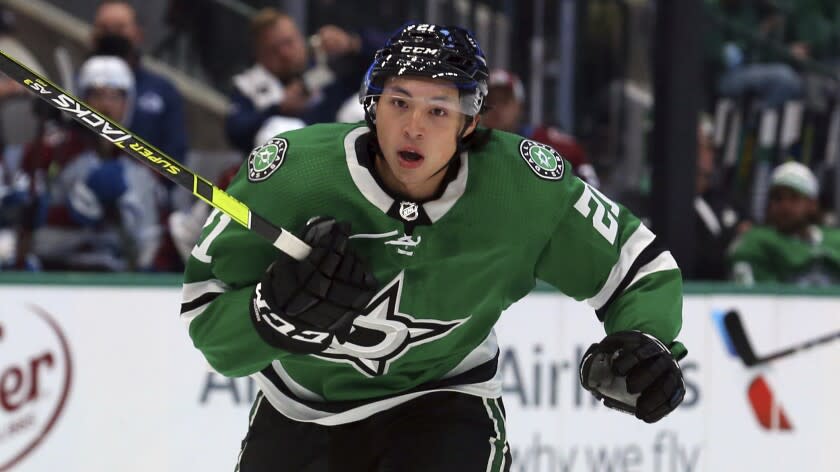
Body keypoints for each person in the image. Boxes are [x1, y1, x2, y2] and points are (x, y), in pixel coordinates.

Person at [181, 24, 687, 471]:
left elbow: (637, 265)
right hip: (300, 408)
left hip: (444, 401)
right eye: (399, 102)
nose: (415, 127)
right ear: (371, 105)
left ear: (470, 124)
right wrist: (268, 314)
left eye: (439, 110)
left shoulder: (524, 189)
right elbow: (208, 324)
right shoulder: (293, 175)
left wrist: (647, 336)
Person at [16, 55, 166, 271]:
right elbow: (29, 231)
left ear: (129, 102)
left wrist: (124, 217)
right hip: (56, 269)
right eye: (97, 94)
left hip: (121, 276)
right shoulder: (53, 150)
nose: (106, 105)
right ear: (82, 98)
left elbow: (152, 237)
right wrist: (68, 213)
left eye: (115, 96)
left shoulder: (145, 161)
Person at [225, 8, 385, 154]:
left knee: (359, 108)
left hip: (341, 155)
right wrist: (280, 108)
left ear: (300, 37)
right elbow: (235, 131)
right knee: (280, 129)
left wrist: (352, 43)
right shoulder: (249, 85)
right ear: (259, 55)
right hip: (293, 169)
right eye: (274, 49)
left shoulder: (326, 62)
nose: (285, 54)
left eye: (289, 42)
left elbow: (391, 59)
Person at [91, 0, 188, 163]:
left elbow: (176, 155)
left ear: (138, 34)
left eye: (119, 28)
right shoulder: (77, 83)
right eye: (104, 29)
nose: (112, 36)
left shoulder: (162, 91)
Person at [482, 68, 600, 186]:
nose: (496, 108)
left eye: (504, 101)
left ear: (519, 106)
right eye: (490, 101)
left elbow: (588, 180)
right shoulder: (468, 147)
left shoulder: (545, 142)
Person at [729, 161, 840, 285]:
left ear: (812, 204)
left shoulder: (835, 240)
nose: (785, 206)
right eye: (777, 198)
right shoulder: (755, 243)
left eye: (794, 198)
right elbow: (758, 299)